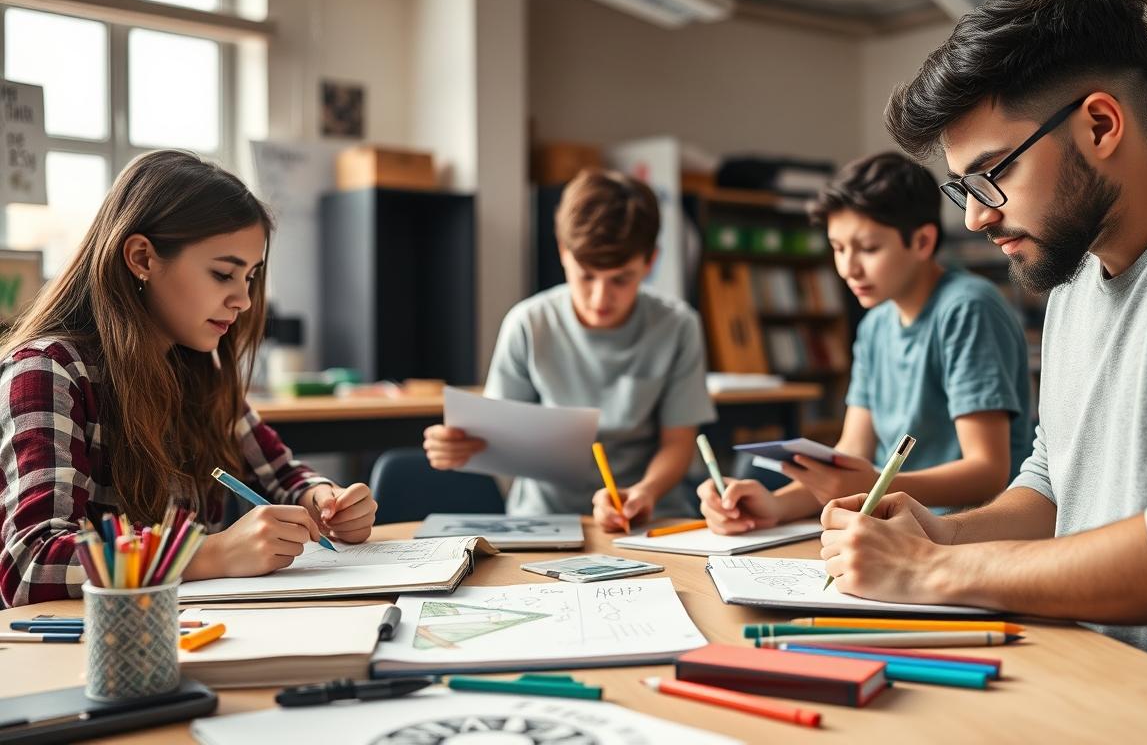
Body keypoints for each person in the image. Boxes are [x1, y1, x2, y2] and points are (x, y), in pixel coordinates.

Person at [820, 0, 1147, 720]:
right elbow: (1056, 481)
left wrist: (937, 568)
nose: (974, 216)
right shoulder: (1072, 277)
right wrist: (939, 529)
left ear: (1100, 124)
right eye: (961, 186)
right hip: (1080, 685)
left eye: (994, 174)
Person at [0, 150, 378, 608]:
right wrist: (212, 553)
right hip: (83, 652)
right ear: (142, 257)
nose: (242, 299)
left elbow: (282, 474)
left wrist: (326, 500)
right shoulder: (47, 370)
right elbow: (30, 564)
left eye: (251, 276)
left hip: (192, 632)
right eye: (223, 273)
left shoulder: (198, 369)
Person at [698, 152, 1032, 534]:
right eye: (838, 248)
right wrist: (774, 505)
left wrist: (872, 483)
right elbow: (852, 452)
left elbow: (988, 471)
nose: (848, 268)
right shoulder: (875, 324)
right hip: (896, 530)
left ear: (922, 241)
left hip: (970, 535)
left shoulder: (967, 308)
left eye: (868, 249)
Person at [423, 169, 715, 531]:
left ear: (650, 262)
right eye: (586, 276)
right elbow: (495, 436)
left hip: (648, 515)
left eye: (621, 279)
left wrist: (645, 492)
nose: (600, 298)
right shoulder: (529, 323)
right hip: (543, 520)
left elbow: (679, 441)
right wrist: (458, 446)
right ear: (564, 253)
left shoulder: (678, 326)